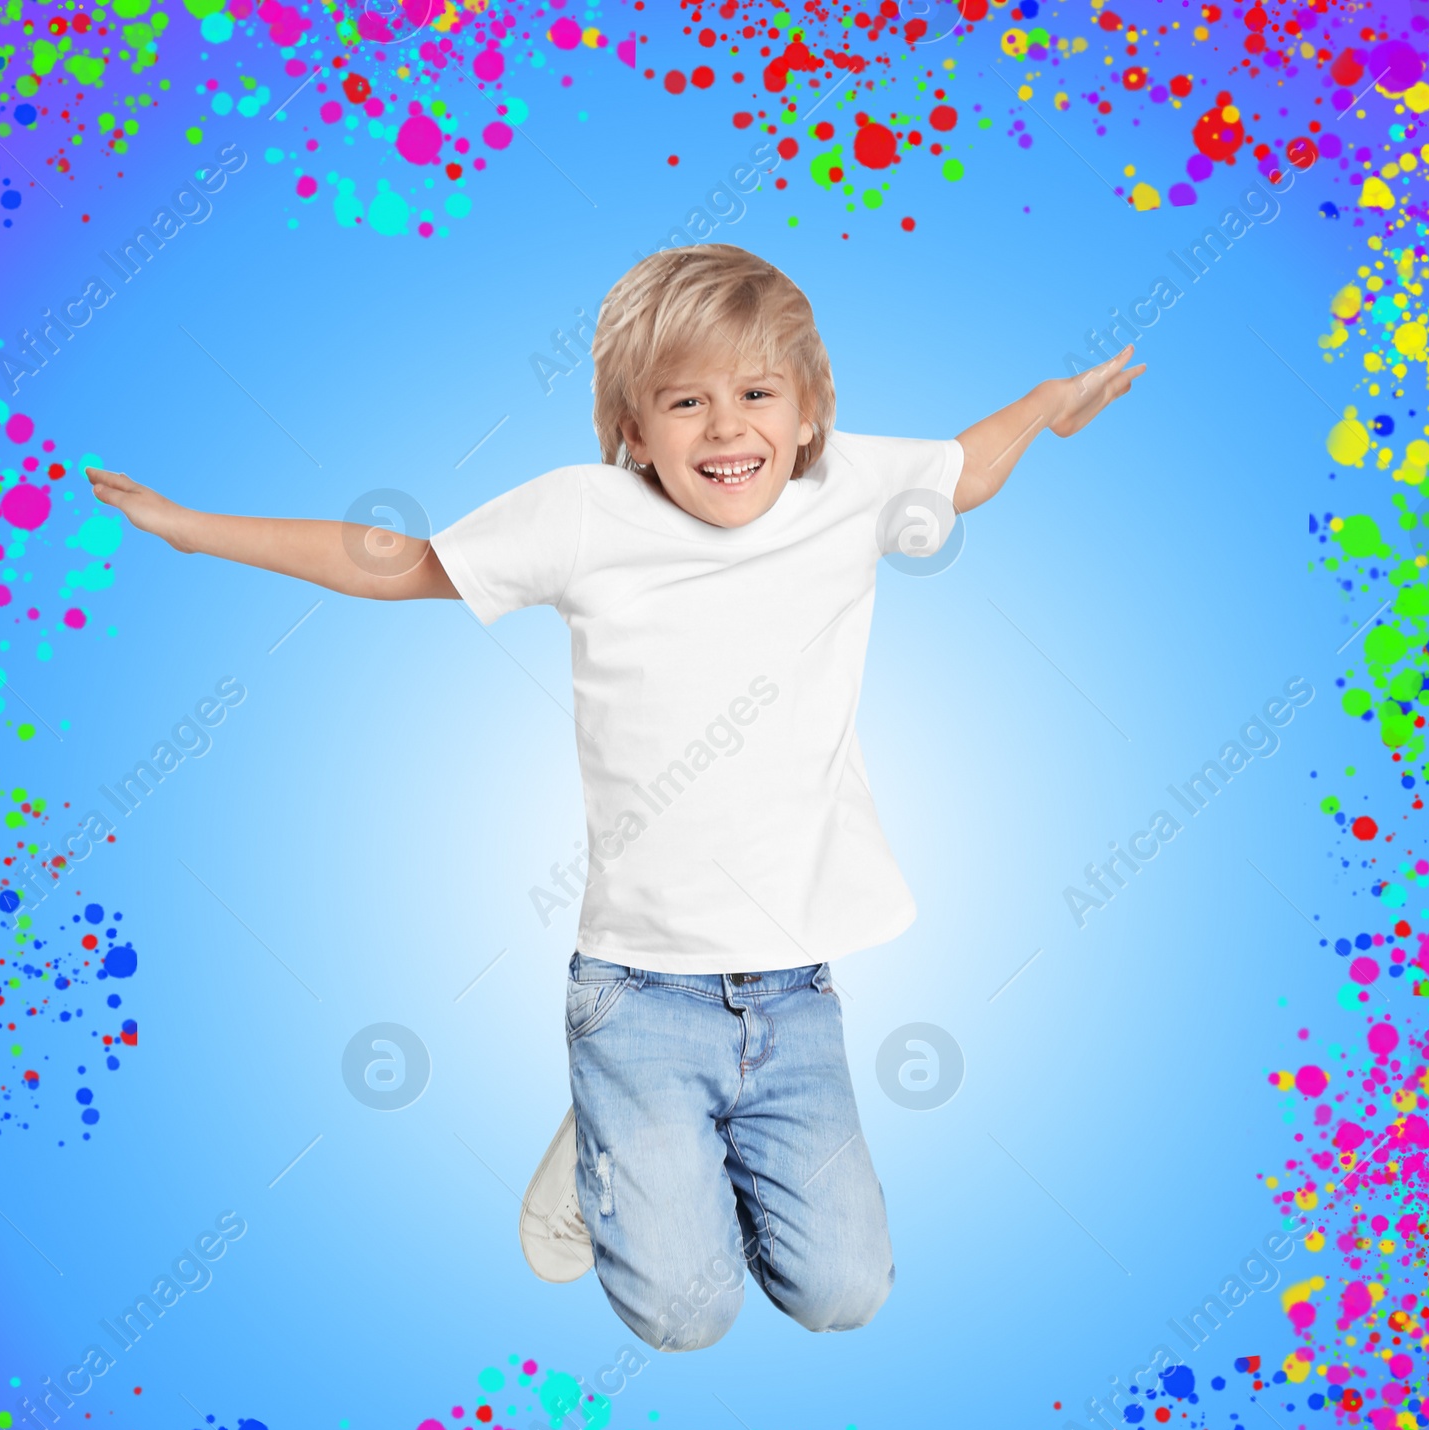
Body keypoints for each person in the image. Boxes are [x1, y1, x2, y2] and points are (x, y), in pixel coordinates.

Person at [85, 243, 1144, 1353]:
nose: (726, 429)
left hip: (792, 993)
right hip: (636, 992)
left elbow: (964, 468)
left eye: (755, 395)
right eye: (684, 402)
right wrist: (192, 526)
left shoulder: (849, 489)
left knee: (842, 1294)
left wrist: (1049, 405)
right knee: (684, 1320)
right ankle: (620, 1129)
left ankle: (661, 1156)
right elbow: (396, 560)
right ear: (633, 429)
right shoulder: (582, 515)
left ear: (808, 411)